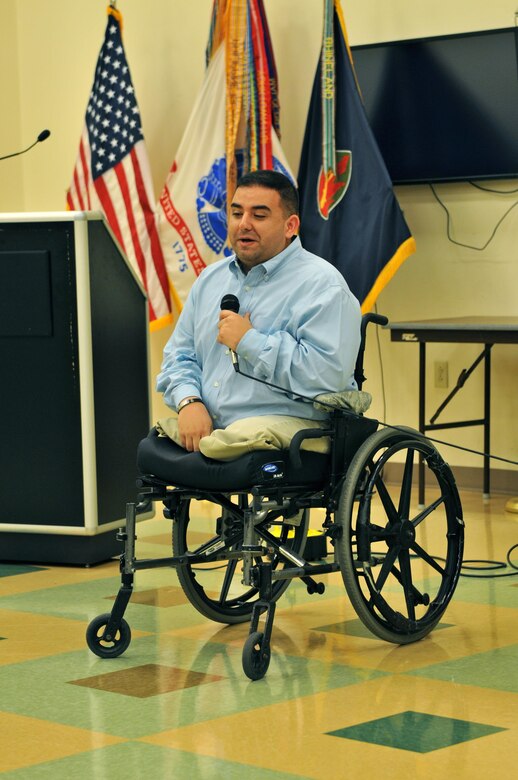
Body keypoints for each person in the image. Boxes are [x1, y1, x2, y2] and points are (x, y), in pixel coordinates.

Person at [156, 169, 361, 457]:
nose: (244, 224)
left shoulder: (323, 286)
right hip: (213, 425)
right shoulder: (210, 279)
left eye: (259, 216)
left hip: (287, 429)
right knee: (150, 449)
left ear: (290, 226)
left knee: (225, 446)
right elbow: (179, 356)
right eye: (237, 213)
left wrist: (249, 341)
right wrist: (189, 401)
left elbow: (328, 378)